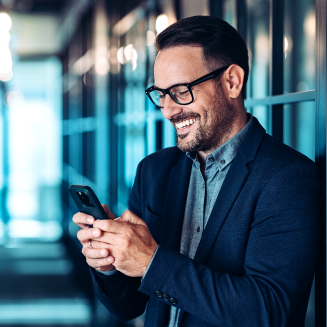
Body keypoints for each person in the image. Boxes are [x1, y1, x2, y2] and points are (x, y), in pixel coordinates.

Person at [73, 16, 320, 327]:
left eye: (181, 90)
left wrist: (151, 261)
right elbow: (128, 306)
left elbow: (267, 311)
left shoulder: (288, 178)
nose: (168, 109)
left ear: (232, 81)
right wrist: (110, 262)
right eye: (161, 93)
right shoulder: (154, 171)